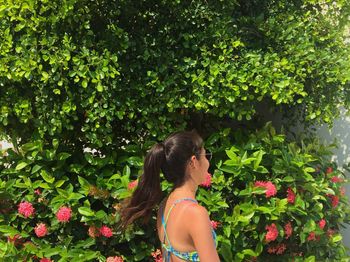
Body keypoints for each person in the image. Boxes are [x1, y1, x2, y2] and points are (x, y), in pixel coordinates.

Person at [120, 131, 220, 261]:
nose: (207, 163)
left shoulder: (166, 205)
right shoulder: (195, 213)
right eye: (206, 155)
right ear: (193, 162)